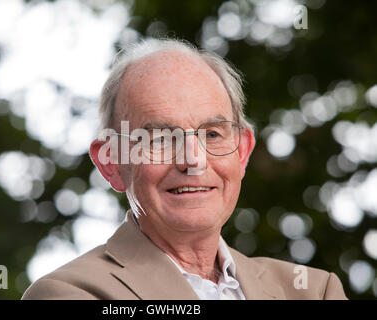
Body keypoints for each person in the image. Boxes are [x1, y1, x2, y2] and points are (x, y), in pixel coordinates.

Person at [22, 38, 347, 300]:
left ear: (243, 152)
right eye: (161, 139)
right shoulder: (68, 294)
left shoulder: (314, 291)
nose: (193, 160)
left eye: (213, 134)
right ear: (111, 162)